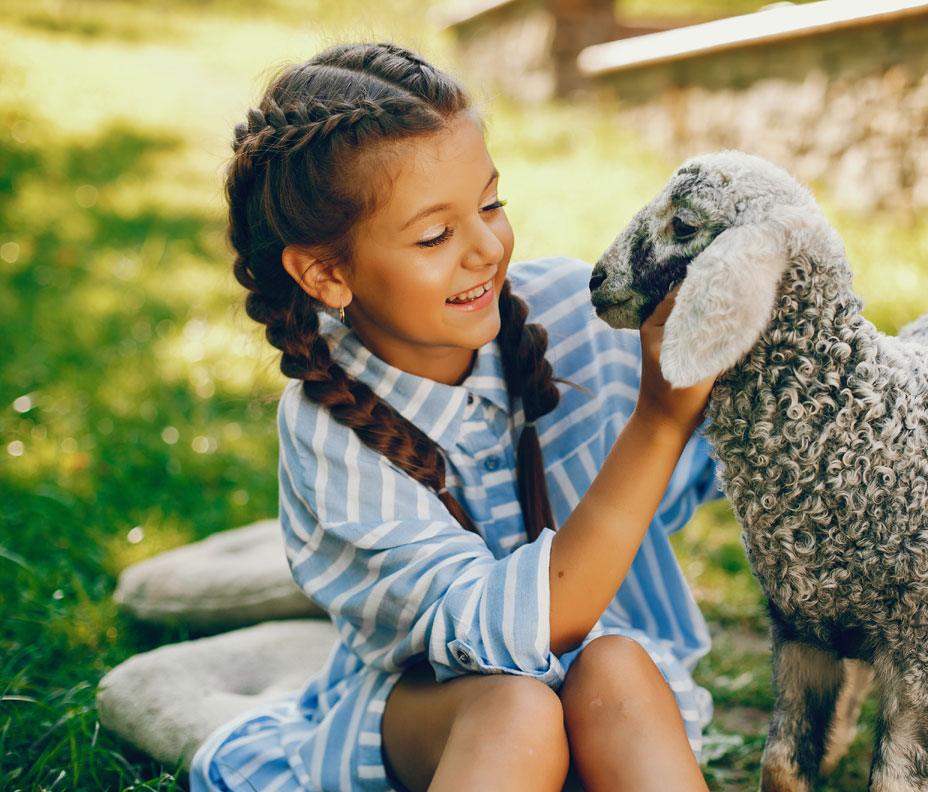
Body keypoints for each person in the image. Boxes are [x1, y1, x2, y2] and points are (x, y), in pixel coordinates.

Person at [189, 42, 722, 792]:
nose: (485, 248)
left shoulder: (578, 315)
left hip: (609, 703)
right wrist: (658, 422)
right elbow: (523, 632)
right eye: (435, 235)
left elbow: (751, 449)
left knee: (618, 663)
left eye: (492, 204)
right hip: (441, 726)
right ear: (327, 273)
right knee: (518, 709)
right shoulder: (329, 430)